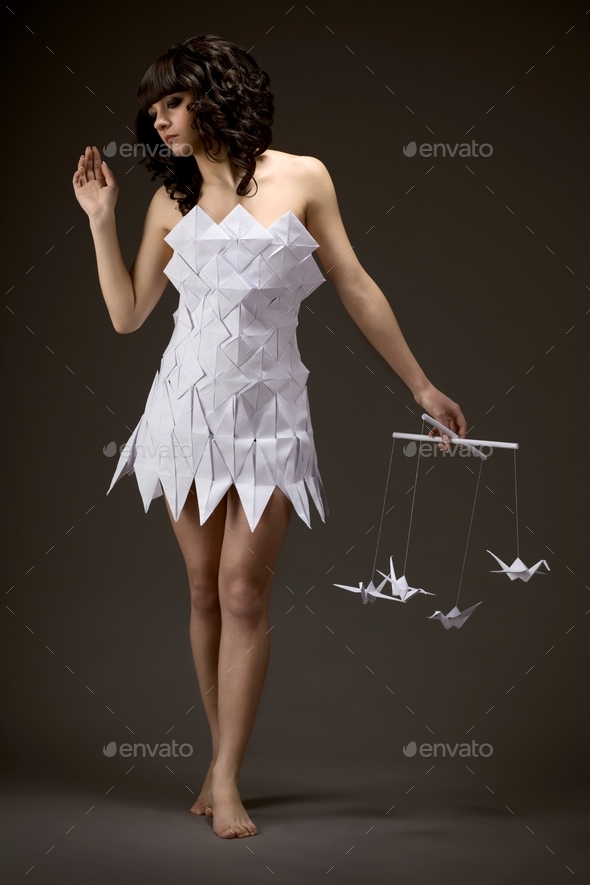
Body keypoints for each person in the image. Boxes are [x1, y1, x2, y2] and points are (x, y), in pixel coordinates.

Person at [72, 34, 467, 840]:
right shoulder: (165, 204)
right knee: (202, 590)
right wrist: (100, 220)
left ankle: (224, 778)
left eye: (174, 101)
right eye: (153, 108)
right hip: (183, 414)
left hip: (269, 417)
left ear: (217, 93)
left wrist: (421, 384)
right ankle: (221, 770)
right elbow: (126, 317)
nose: (161, 119)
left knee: (246, 589)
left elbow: (354, 282)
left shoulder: (303, 176)